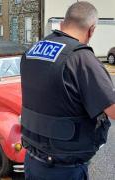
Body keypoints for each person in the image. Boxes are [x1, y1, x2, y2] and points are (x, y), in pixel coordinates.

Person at [20, 1, 115, 180]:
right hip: (64, 169)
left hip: (32, 161)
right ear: (91, 29)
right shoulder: (81, 58)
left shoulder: (33, 49)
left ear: (63, 23)